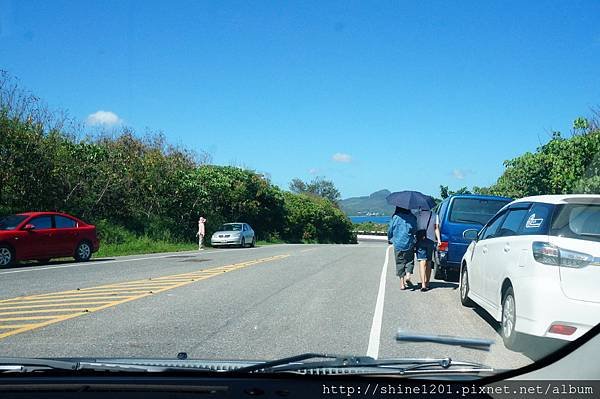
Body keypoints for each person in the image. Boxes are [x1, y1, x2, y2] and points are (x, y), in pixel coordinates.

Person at [387, 206, 417, 290]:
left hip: (398, 243)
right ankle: (408, 275)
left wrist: (389, 238)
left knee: (399, 262)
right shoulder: (412, 217)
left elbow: (390, 230)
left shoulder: (395, 217)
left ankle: (402, 284)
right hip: (409, 242)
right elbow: (415, 229)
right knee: (409, 260)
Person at [415, 208, 441, 291]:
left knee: (422, 262)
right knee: (429, 261)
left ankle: (423, 284)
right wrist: (439, 240)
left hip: (420, 240)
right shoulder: (434, 215)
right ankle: (427, 283)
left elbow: (414, 227)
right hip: (431, 240)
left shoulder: (417, 215)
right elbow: (436, 228)